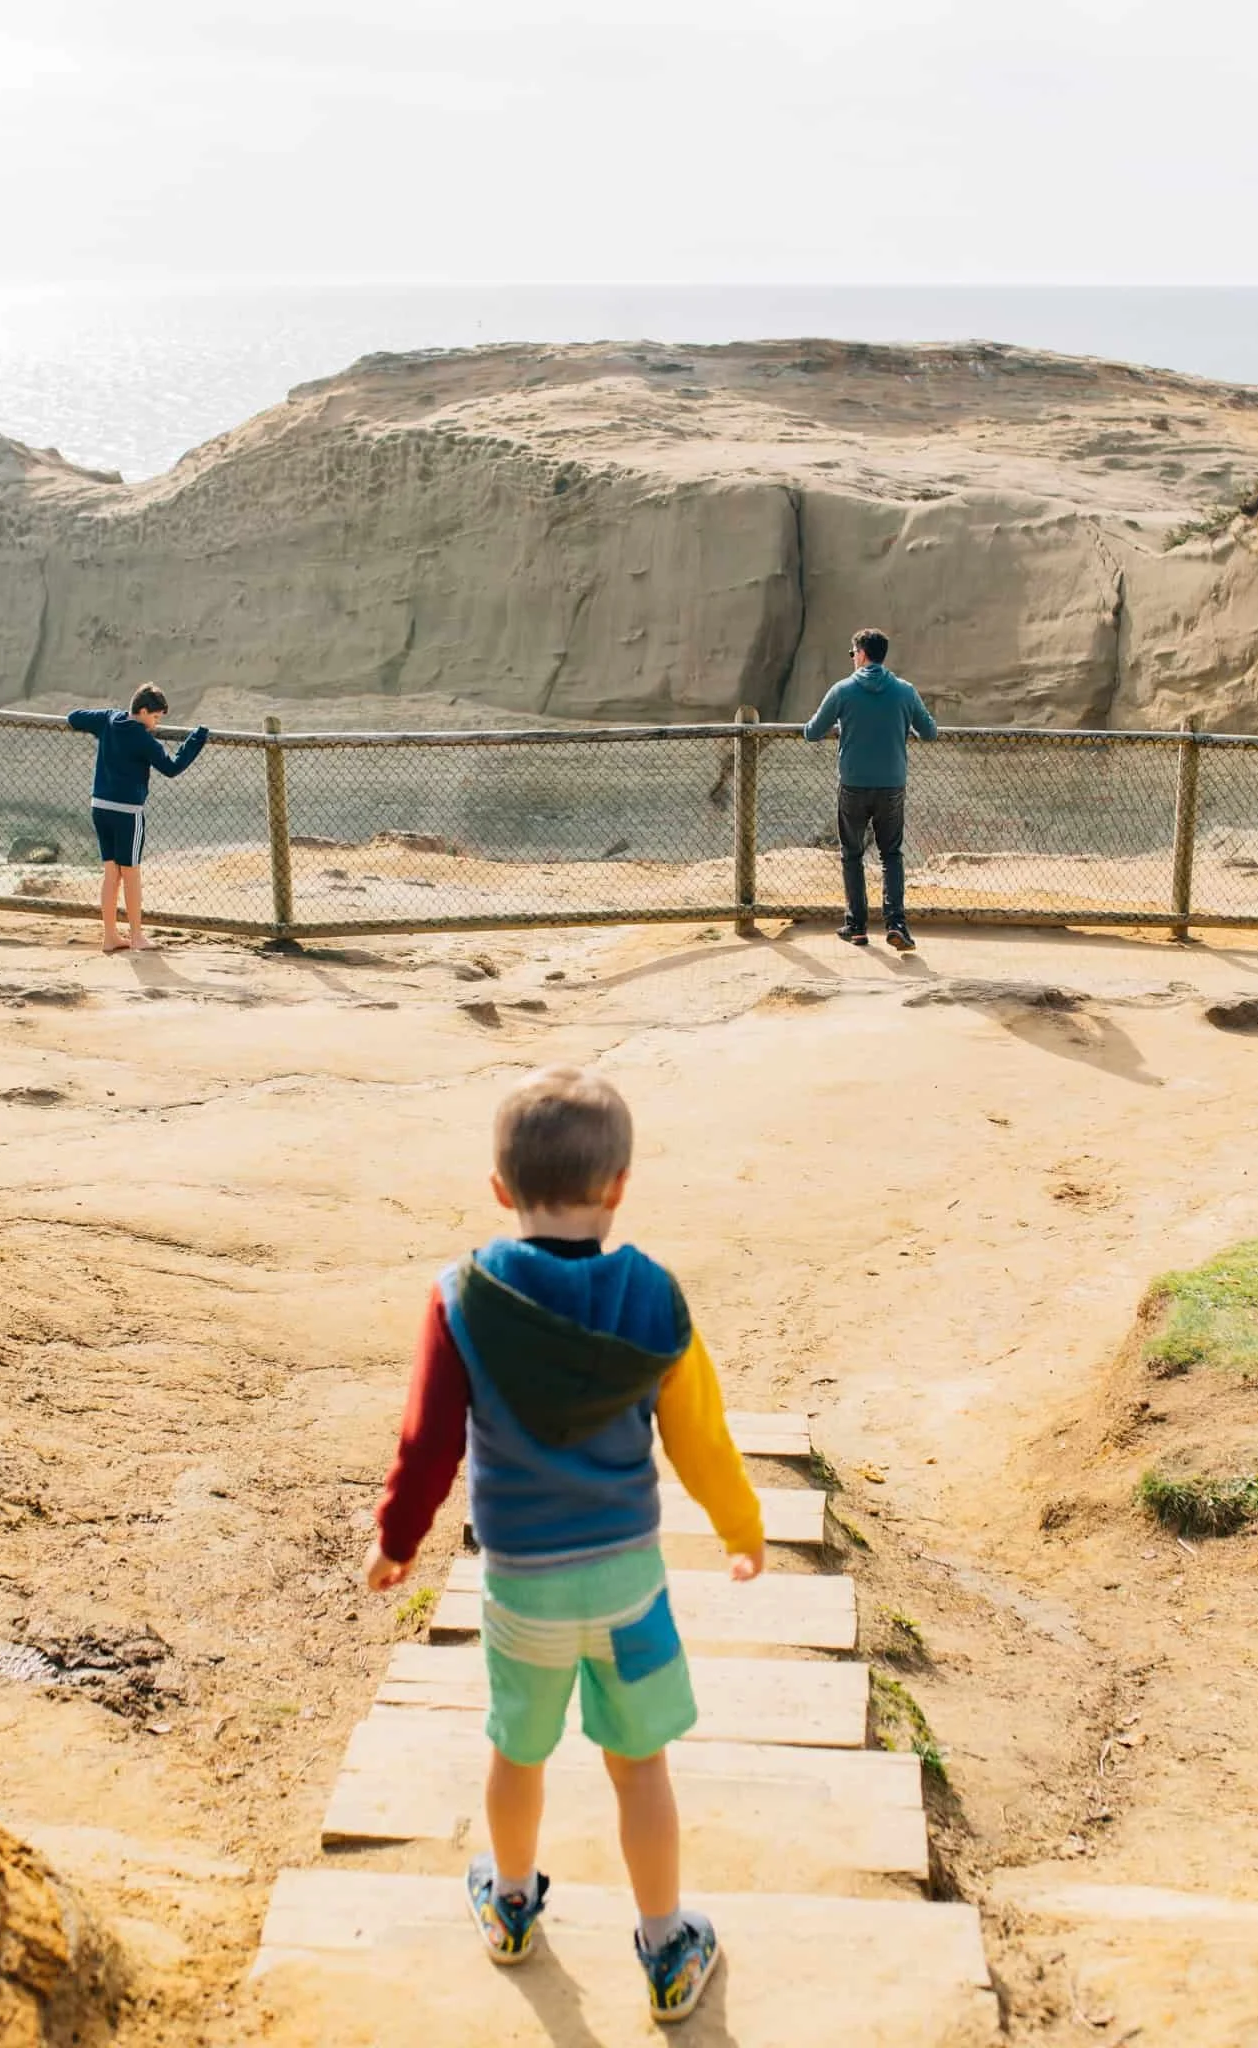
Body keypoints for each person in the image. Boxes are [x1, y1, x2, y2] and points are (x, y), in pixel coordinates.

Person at [363, 1065, 765, 2025]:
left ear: (499, 1189)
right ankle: (667, 1944)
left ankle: (507, 1905)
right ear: (619, 1185)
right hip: (628, 1585)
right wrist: (741, 1528)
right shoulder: (654, 1296)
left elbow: (426, 1442)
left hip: (523, 1592)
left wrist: (397, 1539)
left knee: (518, 1750)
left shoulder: (461, 1295)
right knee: (640, 1768)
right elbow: (699, 1436)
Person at [802, 628, 937, 952]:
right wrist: (900, 728)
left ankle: (857, 926)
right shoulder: (905, 691)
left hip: (853, 785)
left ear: (861, 654)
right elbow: (929, 732)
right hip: (892, 785)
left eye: (853, 654)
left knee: (852, 854)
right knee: (891, 854)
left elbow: (812, 732)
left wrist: (842, 727)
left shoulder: (842, 690)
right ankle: (897, 925)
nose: (852, 659)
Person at [67, 686, 208, 954]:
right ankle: (137, 937)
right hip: (127, 813)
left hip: (100, 806)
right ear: (143, 711)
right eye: (155, 718)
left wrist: (105, 719)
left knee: (111, 872)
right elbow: (172, 767)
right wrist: (196, 739)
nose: (156, 725)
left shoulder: (109, 719)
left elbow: (74, 717)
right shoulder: (143, 740)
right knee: (130, 873)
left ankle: (110, 937)